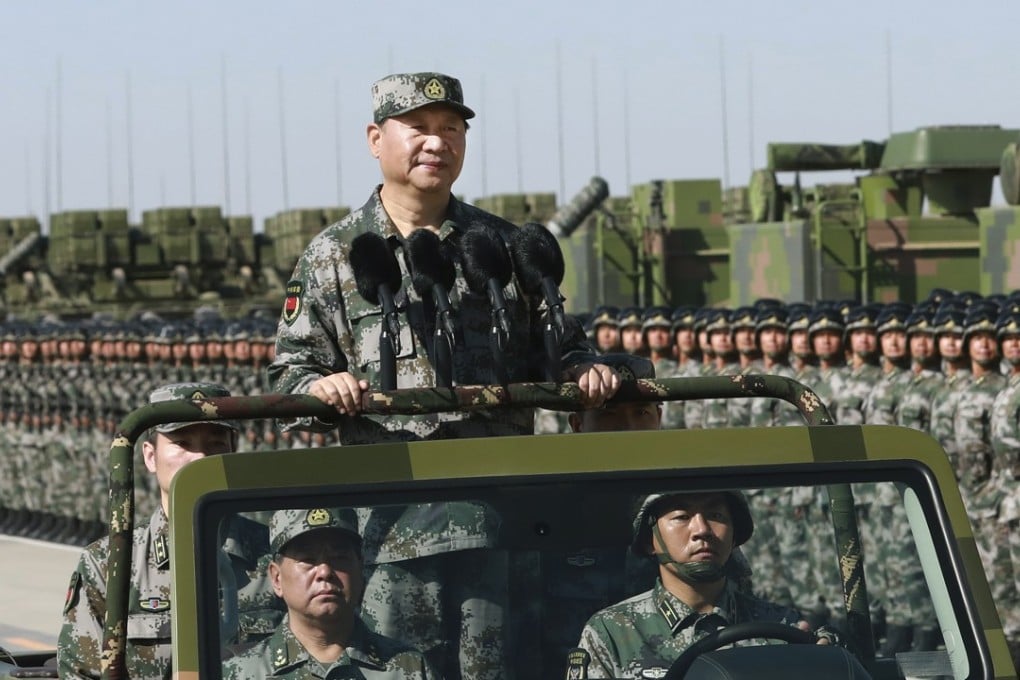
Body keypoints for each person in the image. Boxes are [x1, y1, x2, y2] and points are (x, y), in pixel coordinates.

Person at [268, 72, 619, 680]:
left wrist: (584, 370)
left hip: (501, 519)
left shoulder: (502, 247)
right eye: (420, 129)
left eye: (451, 129)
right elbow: (290, 371)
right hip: (392, 532)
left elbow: (563, 349)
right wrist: (317, 387)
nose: (438, 143)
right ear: (376, 139)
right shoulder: (333, 254)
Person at [57, 382, 275, 680]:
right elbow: (81, 672)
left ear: (232, 452)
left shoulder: (277, 554)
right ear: (150, 456)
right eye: (183, 443)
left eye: (215, 444)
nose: (200, 457)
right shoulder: (110, 564)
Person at [575, 489, 836, 678]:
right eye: (681, 516)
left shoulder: (780, 627)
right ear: (648, 541)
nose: (701, 529)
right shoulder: (613, 633)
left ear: (735, 537)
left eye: (716, 515)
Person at [222, 508, 438, 680]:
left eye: (339, 557)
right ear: (276, 578)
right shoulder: (240, 673)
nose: (325, 571)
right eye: (307, 559)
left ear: (361, 570)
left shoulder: (408, 668)